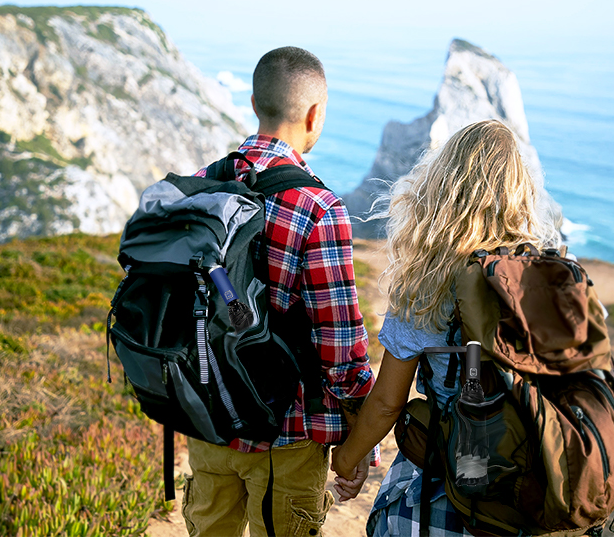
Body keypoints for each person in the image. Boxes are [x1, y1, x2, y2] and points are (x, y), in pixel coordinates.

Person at [328, 119, 566, 536]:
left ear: (444, 188)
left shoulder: (426, 285)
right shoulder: (552, 277)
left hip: (447, 481)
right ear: (521, 192)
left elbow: (387, 404)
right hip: (536, 479)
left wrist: (347, 461)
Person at [182, 46, 378, 537]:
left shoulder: (200, 186)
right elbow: (340, 347)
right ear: (315, 115)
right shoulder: (318, 208)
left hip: (210, 422)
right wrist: (361, 437)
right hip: (285, 435)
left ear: (254, 103)